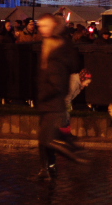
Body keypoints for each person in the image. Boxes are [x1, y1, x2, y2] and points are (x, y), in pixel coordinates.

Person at [36, 14, 86, 179]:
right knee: (44, 140)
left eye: (45, 25)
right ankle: (48, 169)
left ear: (55, 27)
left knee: (49, 139)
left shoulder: (58, 48)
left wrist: (45, 94)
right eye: (40, 25)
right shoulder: (49, 43)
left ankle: (78, 158)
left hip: (52, 101)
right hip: (47, 100)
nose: (41, 29)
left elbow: (57, 79)